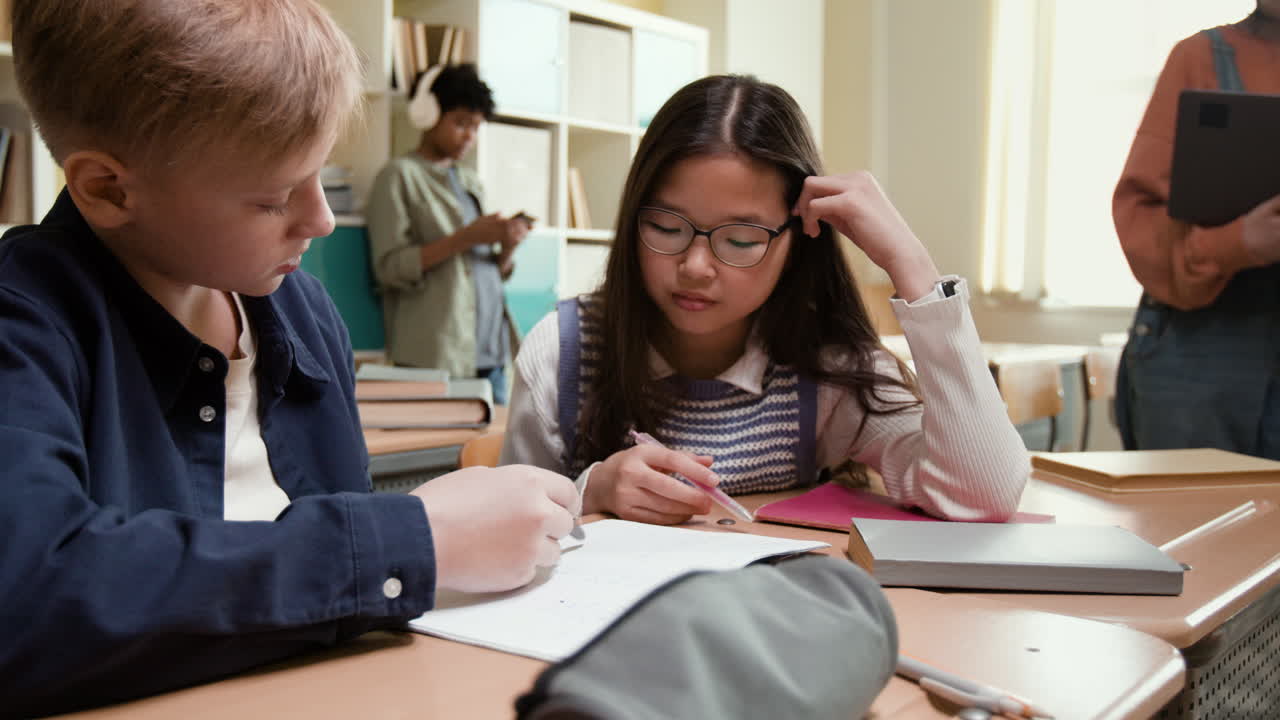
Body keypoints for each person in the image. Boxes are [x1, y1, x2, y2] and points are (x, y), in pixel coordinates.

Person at [0, 2, 576, 715]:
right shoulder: (24, 320)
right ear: (109, 189)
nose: (323, 220)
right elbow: (27, 599)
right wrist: (415, 538)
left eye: (321, 175)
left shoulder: (300, 311)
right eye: (276, 198)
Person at [500, 74, 1030, 525]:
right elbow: (501, 519)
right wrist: (589, 491)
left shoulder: (825, 368)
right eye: (665, 226)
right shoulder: (563, 351)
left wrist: (911, 265)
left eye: (740, 241)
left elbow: (983, 495)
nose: (695, 266)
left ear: (796, 240)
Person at [1113, 1, 1280, 458]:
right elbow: (1140, 220)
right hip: (1198, 345)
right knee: (1184, 521)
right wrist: (1238, 242)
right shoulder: (1200, 57)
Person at [367, 63, 528, 405]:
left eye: (476, 127)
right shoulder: (398, 177)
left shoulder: (469, 181)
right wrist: (466, 237)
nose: (469, 136)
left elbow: (483, 270)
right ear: (428, 114)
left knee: (494, 455)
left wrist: (507, 246)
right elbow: (390, 268)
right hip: (438, 354)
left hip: (491, 353)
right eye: (460, 123)